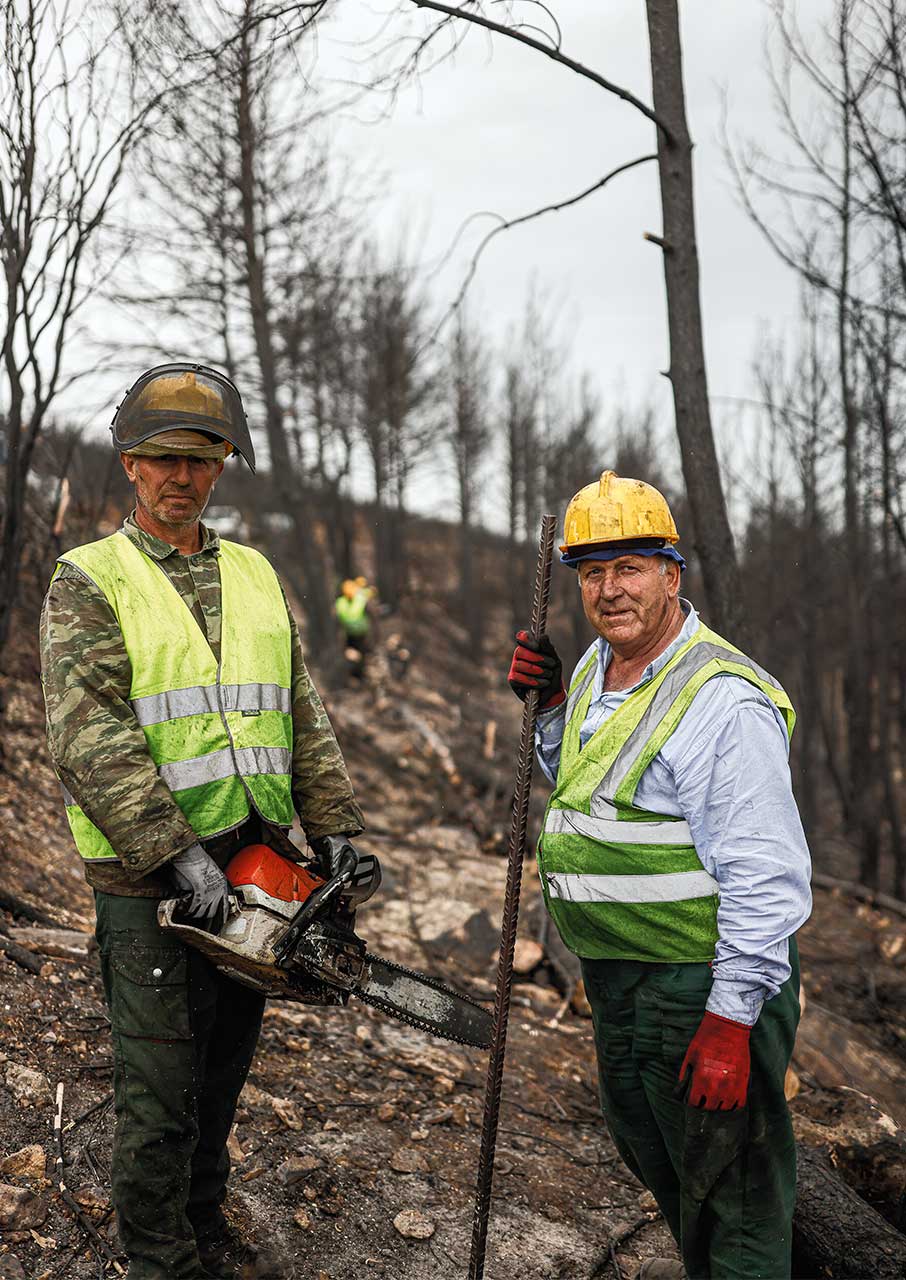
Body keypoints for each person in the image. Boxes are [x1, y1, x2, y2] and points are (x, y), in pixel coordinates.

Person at [40, 363, 365, 1280]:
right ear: (132, 466)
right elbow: (87, 735)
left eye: (202, 459)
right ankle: (160, 1260)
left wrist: (333, 825)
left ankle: (201, 1223)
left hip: (256, 865)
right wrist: (173, 853)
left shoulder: (256, 574)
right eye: (163, 460)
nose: (182, 478)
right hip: (151, 883)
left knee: (221, 1071)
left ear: (223, 465)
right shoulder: (89, 580)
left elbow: (300, 710)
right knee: (160, 1091)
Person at [507, 470, 811, 1280]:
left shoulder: (720, 699)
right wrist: (548, 713)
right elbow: (594, 790)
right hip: (620, 982)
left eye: (630, 568)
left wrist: (731, 1019)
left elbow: (766, 874)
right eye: (592, 572)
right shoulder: (598, 672)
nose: (610, 590)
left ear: (671, 575)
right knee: (668, 1171)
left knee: (733, 1198)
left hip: (699, 986)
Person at [334, 576, 373, 678]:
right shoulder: (345, 601)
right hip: (352, 634)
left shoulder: (354, 599)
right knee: (355, 655)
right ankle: (355, 674)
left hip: (358, 633)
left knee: (360, 655)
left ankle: (359, 674)